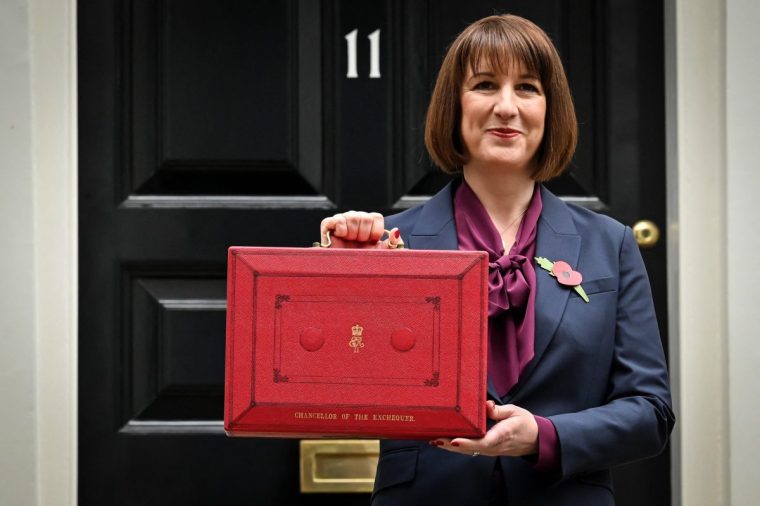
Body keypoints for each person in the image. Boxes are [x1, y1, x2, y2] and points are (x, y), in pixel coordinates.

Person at [319, 14, 674, 505]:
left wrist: (542, 436)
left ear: (550, 110)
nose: (506, 107)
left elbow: (650, 413)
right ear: (453, 106)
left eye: (526, 88)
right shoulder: (395, 243)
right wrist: (340, 274)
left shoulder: (609, 244)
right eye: (485, 84)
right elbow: (334, 391)